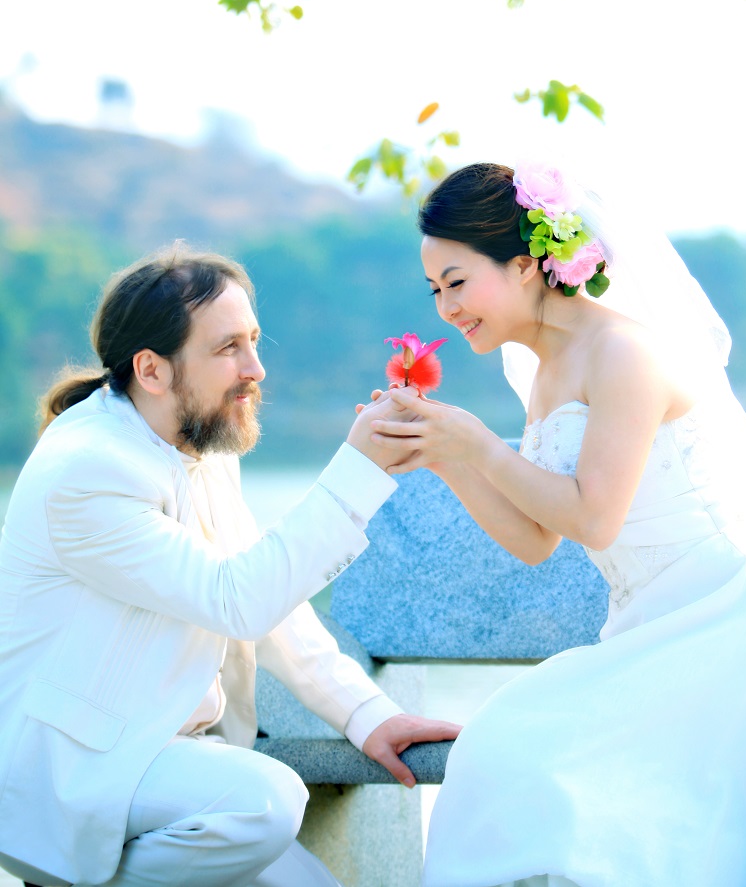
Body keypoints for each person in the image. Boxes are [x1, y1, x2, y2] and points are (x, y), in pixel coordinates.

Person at [368, 160, 746, 887]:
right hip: (649, 629)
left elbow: (594, 519)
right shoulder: (545, 369)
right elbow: (538, 538)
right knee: (502, 751)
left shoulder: (624, 351)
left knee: (541, 771)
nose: (446, 307)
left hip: (725, 622)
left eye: (458, 282)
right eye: (435, 289)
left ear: (528, 263)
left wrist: (477, 442)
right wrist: (446, 456)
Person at [0, 246, 459, 887]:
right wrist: (357, 474)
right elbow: (235, 599)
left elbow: (272, 611)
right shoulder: (87, 470)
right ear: (152, 370)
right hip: (78, 768)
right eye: (227, 350)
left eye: (253, 341)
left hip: (181, 760)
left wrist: (370, 715)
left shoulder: (201, 439)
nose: (256, 369)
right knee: (266, 800)